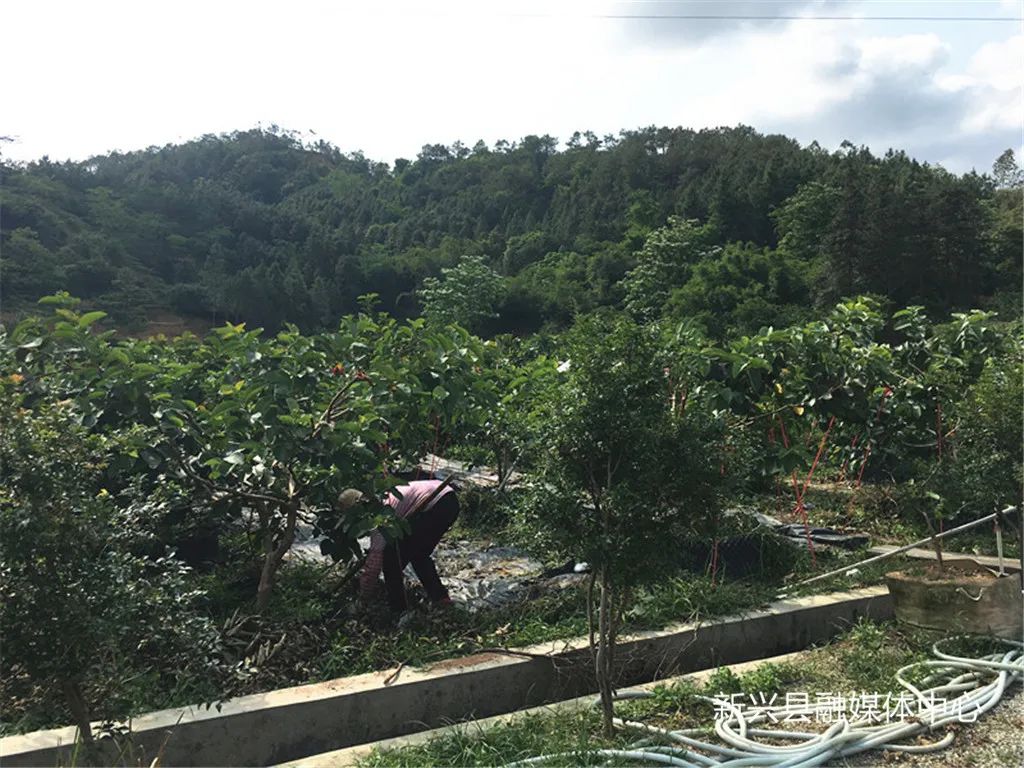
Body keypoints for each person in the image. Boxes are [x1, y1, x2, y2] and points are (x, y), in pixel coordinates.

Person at [355, 479, 460, 611]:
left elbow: (374, 563)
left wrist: (364, 595)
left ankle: (399, 608)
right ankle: (440, 598)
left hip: (436, 502)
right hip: (449, 499)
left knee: (392, 559)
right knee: (419, 555)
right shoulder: (387, 497)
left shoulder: (378, 519)